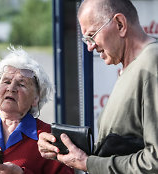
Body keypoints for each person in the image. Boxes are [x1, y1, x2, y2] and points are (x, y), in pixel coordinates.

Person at [37, 0, 158, 173]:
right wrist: (62, 147)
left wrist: (89, 164)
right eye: (86, 39)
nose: (90, 47)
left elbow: (154, 161)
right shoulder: (134, 67)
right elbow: (122, 147)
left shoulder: (151, 64)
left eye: (92, 36)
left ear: (120, 24)